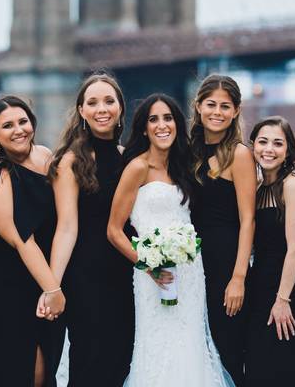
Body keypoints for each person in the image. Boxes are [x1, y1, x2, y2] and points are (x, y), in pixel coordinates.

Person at [107, 94, 232, 386]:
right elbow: (114, 230)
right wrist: (149, 266)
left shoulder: (182, 167)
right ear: (143, 129)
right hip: (151, 275)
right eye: (154, 119)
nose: (162, 126)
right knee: (158, 348)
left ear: (177, 125)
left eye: (168, 118)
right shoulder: (137, 167)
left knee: (190, 345)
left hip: (189, 273)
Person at [0, 96, 66, 387]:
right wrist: (53, 289)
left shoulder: (46, 157)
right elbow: (23, 240)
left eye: (23, 121)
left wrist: (53, 283)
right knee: (24, 373)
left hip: (44, 276)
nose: (19, 129)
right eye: (7, 125)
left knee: (47, 368)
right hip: (5, 285)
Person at [48, 73, 135, 386]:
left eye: (109, 101)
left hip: (127, 276)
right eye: (93, 102)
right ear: (81, 111)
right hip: (85, 279)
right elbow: (67, 228)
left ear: (120, 109)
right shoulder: (70, 162)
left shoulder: (131, 160)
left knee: (122, 361)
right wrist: (52, 285)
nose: (102, 108)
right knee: (89, 362)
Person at [189, 75, 255, 385]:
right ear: (198, 106)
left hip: (225, 262)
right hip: (190, 264)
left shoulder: (239, 155)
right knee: (196, 350)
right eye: (211, 104)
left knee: (226, 349)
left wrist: (238, 278)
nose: (217, 112)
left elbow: (248, 220)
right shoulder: (184, 151)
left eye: (225, 106)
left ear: (236, 110)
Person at [243, 116, 295, 387]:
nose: (268, 149)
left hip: (286, 290)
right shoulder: (259, 189)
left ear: (288, 151)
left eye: (277, 143)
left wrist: (283, 299)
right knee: (260, 367)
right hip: (260, 288)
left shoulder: (292, 185)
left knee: (283, 367)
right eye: (262, 142)